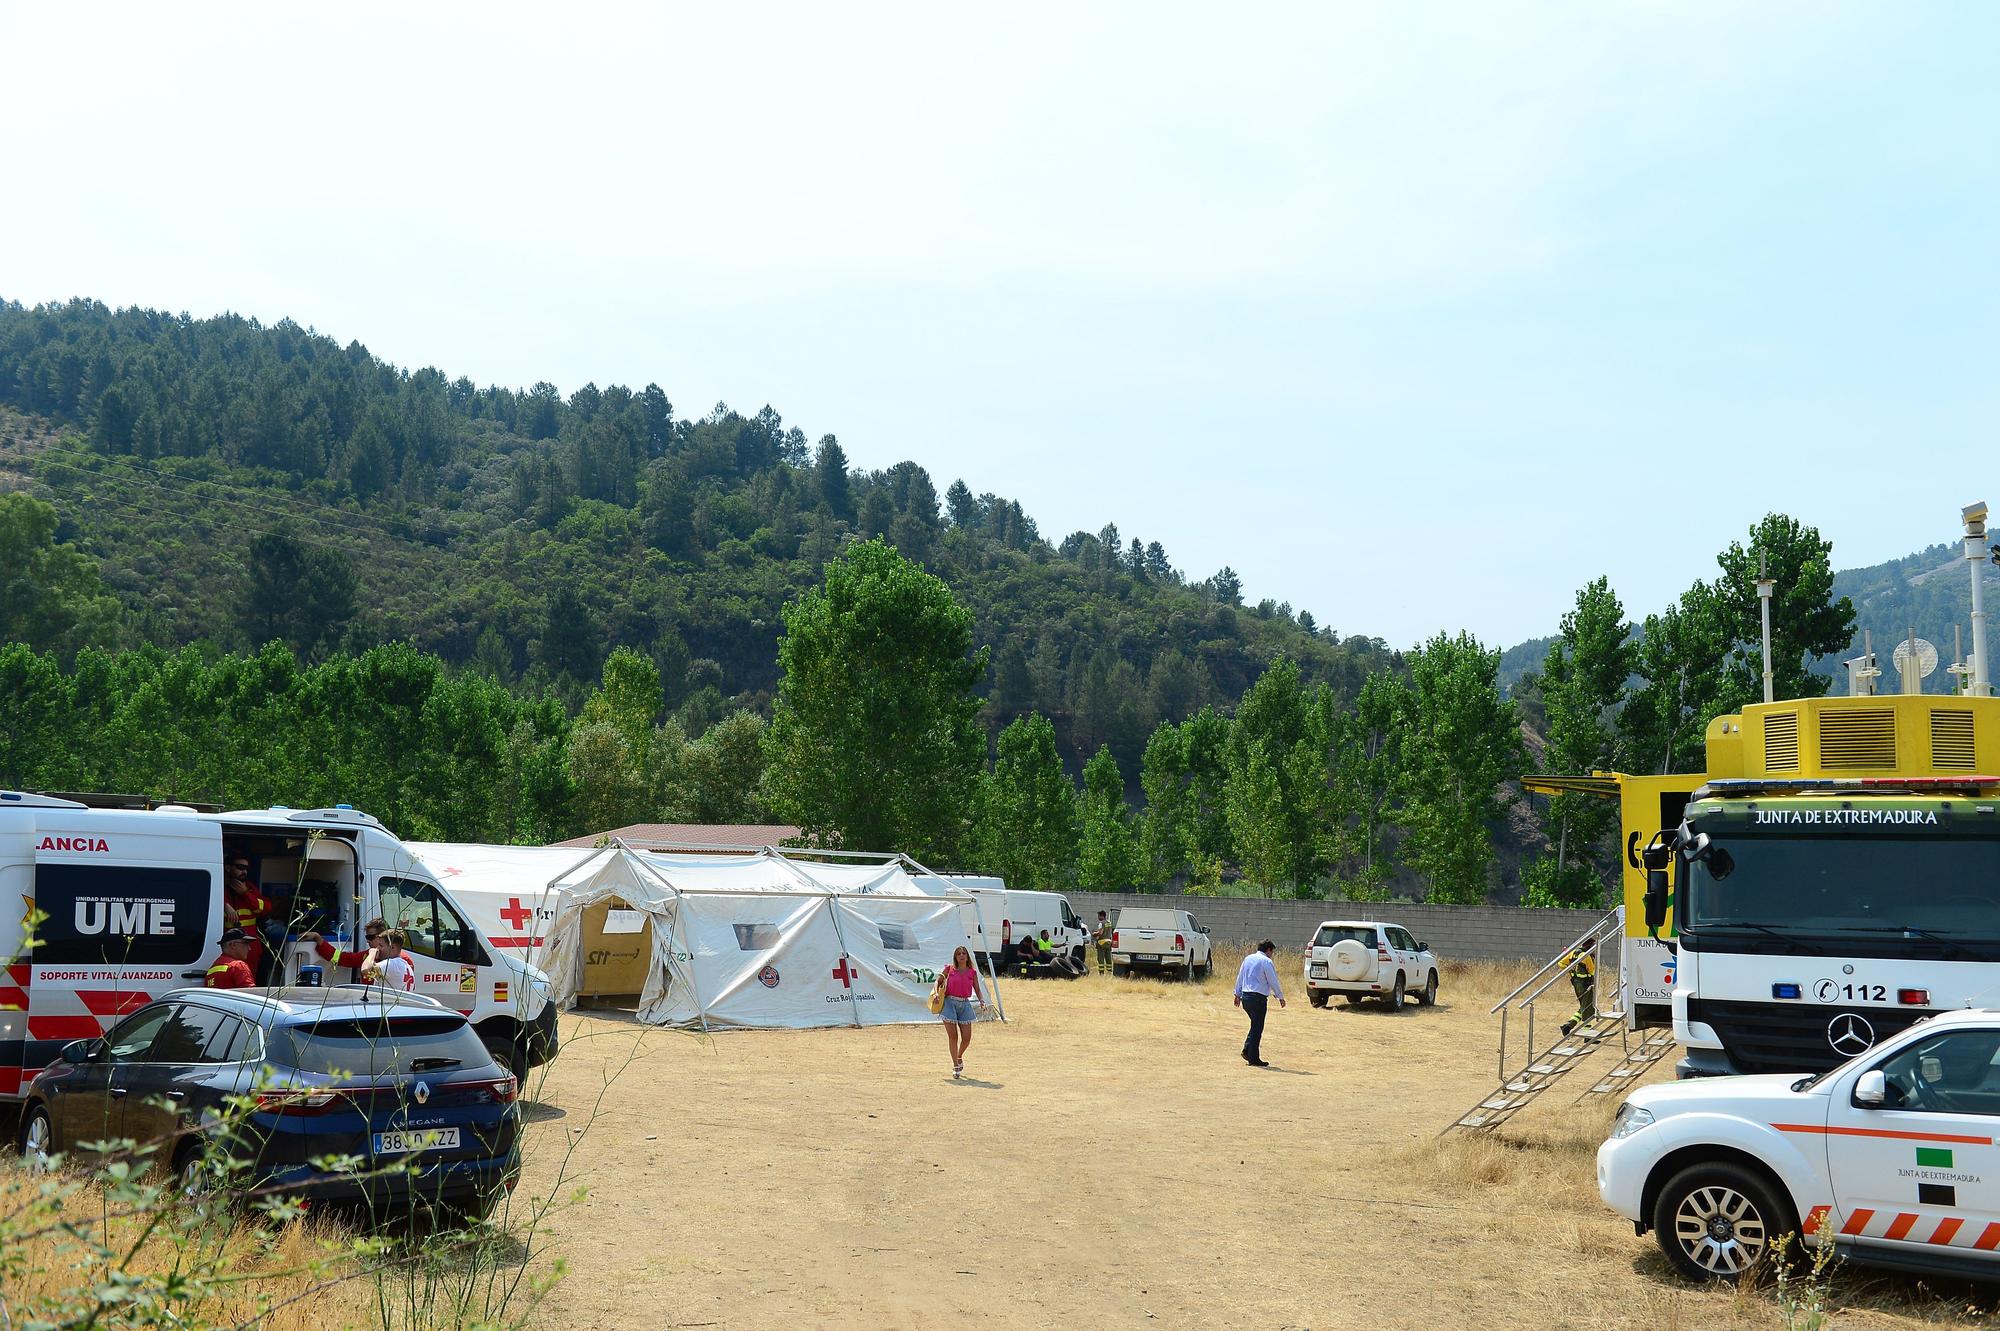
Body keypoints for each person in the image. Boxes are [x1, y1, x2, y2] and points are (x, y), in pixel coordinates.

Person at [934, 945, 987, 1078]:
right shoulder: (949, 969)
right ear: (955, 957)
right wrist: (936, 994)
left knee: (967, 1039)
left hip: (965, 1004)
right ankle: (955, 1066)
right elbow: (937, 981)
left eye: (964, 953)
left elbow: (977, 989)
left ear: (967, 956)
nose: (962, 956)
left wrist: (982, 1000)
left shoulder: (972, 972)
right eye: (959, 954)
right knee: (953, 1037)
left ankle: (959, 1056)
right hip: (949, 1003)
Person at [1232, 939, 1286, 1067]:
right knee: (1257, 1027)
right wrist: (1280, 996)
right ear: (1268, 950)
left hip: (1246, 997)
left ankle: (1247, 1050)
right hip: (1258, 998)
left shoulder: (1248, 959)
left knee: (1255, 1026)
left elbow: (1240, 976)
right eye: (1272, 952)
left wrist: (1237, 994)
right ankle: (1253, 1058)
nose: (1272, 954)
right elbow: (1273, 980)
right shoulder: (1266, 961)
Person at [222, 854, 272, 979]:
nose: (244, 871)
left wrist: (245, 893)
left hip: (249, 948)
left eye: (246, 868)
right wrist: (225, 905)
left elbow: (266, 908)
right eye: (240, 867)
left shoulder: (248, 888)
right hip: (228, 947)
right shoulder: (220, 887)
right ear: (228, 868)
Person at [299, 918, 388, 983]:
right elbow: (340, 958)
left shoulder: (396, 959)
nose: (367, 941)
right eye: (366, 937)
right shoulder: (365, 956)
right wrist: (318, 938)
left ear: (382, 937)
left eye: (370, 937)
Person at [1560, 947, 1598, 1037]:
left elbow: (1561, 963)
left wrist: (1571, 969)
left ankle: (1568, 1026)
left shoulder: (1573, 952)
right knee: (1588, 1009)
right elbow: (1592, 971)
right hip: (1586, 985)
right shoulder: (1587, 956)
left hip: (1576, 984)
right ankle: (1587, 1036)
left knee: (1583, 1007)